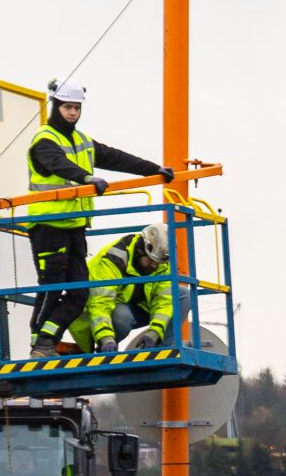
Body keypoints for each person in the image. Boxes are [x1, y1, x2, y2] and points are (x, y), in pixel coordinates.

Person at [25, 80, 171, 354]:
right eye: (67, 107)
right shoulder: (44, 140)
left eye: (76, 108)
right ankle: (40, 343)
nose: (72, 113)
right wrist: (86, 177)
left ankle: (47, 340)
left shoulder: (82, 141)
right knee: (52, 286)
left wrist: (155, 170)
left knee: (80, 292)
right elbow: (57, 164)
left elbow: (116, 157)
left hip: (76, 226)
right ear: (56, 107)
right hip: (48, 226)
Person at [75, 224, 176, 352]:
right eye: (151, 261)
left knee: (182, 295)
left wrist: (154, 333)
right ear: (140, 251)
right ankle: (105, 347)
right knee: (122, 316)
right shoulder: (112, 259)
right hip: (97, 317)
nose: (154, 266)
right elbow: (99, 303)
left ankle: (159, 349)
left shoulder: (161, 263)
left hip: (134, 308)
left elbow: (164, 301)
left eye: (158, 262)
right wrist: (105, 338)